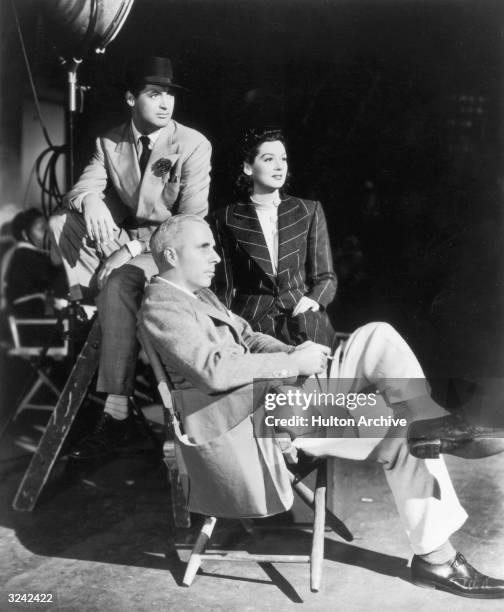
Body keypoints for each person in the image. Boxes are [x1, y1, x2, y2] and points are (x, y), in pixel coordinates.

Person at [139, 214, 504, 599]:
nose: (215, 256)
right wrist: (292, 365)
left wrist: (296, 352)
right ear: (170, 255)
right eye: (204, 247)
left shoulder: (197, 296)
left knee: (392, 393)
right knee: (388, 381)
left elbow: (249, 338)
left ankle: (435, 532)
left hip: (279, 397)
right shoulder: (162, 307)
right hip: (252, 422)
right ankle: (435, 443)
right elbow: (212, 371)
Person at [49, 57, 211, 459]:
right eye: (154, 94)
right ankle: (92, 300)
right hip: (123, 243)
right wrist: (91, 202)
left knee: (121, 280)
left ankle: (116, 412)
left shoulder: (192, 144)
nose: (164, 103)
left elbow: (191, 221)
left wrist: (132, 249)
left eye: (169, 95)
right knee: (60, 222)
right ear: (130, 98)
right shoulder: (109, 142)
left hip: (169, 251)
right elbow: (79, 190)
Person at [213, 128, 336, 346]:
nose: (280, 166)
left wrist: (314, 300)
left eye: (283, 159)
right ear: (248, 167)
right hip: (252, 324)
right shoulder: (225, 218)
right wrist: (225, 327)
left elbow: (325, 277)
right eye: (269, 159)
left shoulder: (308, 210)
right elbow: (222, 287)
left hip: (304, 320)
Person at [1, 208, 67, 316]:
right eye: (41, 229)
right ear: (25, 235)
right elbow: (53, 277)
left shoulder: (18, 254)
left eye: (47, 229)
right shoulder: (27, 255)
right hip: (34, 319)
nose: (47, 234)